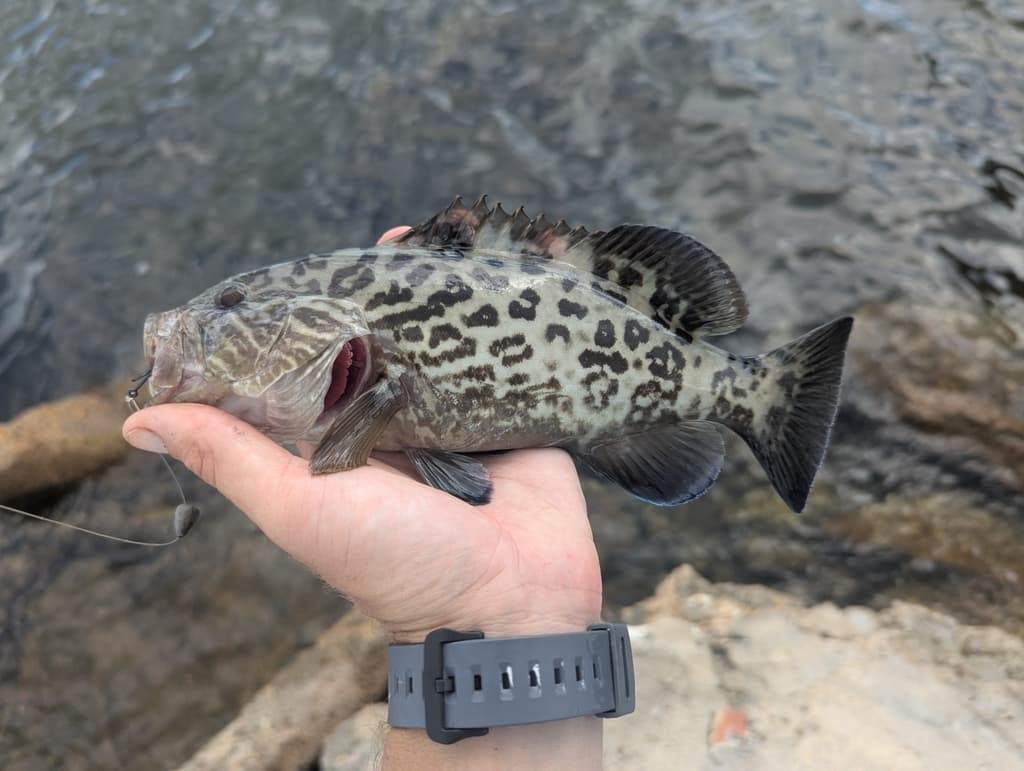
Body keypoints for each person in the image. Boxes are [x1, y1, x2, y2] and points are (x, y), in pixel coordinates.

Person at [121, 227, 605, 770]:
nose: (190, 330)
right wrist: (501, 614)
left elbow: (361, 428)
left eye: (232, 308)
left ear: (331, 326)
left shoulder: (373, 374)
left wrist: (503, 617)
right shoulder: (353, 371)